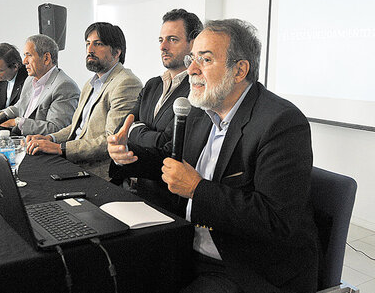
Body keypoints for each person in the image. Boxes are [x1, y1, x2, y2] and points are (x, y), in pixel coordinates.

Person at [108, 19, 319, 292]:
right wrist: (128, 155)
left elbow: (276, 221)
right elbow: (172, 164)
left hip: (245, 267)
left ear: (240, 69)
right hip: (188, 245)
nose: (191, 69)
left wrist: (197, 189)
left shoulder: (281, 123)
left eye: (204, 60)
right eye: (192, 58)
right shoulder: (201, 110)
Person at [111, 9, 202, 216]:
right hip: (136, 191)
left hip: (167, 201)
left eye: (172, 39)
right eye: (161, 39)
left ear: (193, 43)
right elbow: (121, 129)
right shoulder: (152, 84)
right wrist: (141, 133)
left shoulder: (197, 88)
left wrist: (137, 130)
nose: (163, 46)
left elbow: (168, 147)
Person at [26, 22, 142, 179]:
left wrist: (61, 148)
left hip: (99, 173)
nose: (90, 50)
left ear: (116, 52)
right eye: (88, 43)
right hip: (74, 162)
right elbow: (76, 128)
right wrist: (50, 138)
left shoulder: (126, 83)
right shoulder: (90, 83)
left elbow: (110, 140)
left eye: (98, 44)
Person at [0, 34, 80, 136]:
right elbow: (16, 109)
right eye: (24, 56)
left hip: (42, 149)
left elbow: (57, 129)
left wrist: (17, 122)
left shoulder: (64, 86)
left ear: (46, 58)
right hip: (22, 140)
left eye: (29, 55)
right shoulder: (30, 80)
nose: (24, 61)